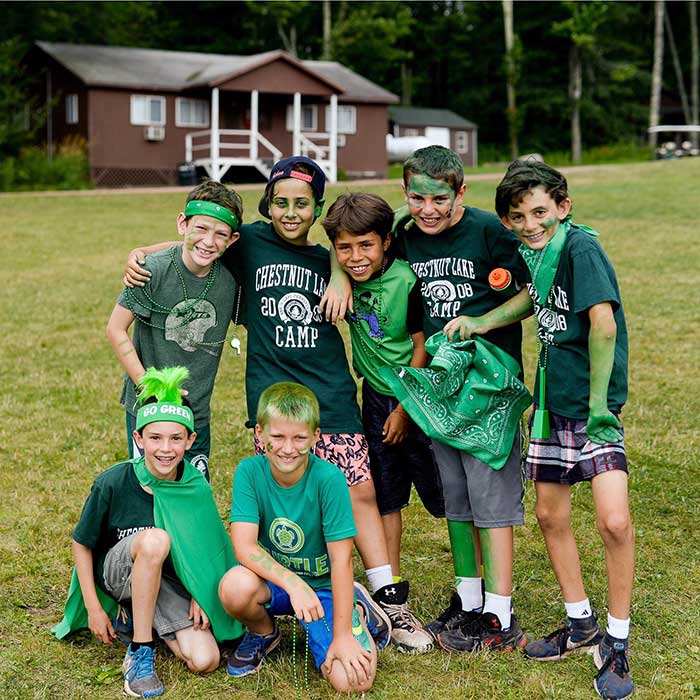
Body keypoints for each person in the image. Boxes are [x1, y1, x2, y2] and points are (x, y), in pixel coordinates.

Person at [123, 157, 426, 651]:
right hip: (272, 395)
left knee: (361, 492)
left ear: (317, 209)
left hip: (329, 388)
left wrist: (339, 274)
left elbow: (373, 266)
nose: (290, 212)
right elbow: (203, 241)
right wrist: (142, 252)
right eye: (281, 202)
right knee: (282, 494)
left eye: (302, 204)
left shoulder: (335, 256)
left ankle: (390, 600)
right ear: (268, 205)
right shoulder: (252, 242)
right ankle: (287, 585)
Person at [330, 145, 529, 653]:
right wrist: (336, 274)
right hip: (435, 394)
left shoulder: (489, 231)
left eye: (440, 198)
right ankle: (468, 601)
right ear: (405, 194)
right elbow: (357, 237)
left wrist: (483, 322)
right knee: (459, 502)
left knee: (490, 504)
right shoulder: (404, 234)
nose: (429, 209)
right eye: (417, 198)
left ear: (461, 191)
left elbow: (531, 291)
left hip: (486, 390)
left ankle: (498, 614)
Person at [451, 160, 633, 698]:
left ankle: (616, 642)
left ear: (563, 206)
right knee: (551, 514)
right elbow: (536, 298)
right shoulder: (540, 251)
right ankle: (581, 624)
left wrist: (601, 407)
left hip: (591, 409)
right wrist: (482, 322)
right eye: (517, 216)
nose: (529, 224)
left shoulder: (580, 248)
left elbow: (603, 324)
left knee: (614, 521)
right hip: (552, 406)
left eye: (539, 212)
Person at [55, 367, 243, 698]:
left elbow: (208, 547)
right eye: (155, 438)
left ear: (190, 440)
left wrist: (201, 592)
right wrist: (94, 607)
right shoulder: (114, 481)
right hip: (118, 575)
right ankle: (141, 650)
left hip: (165, 580)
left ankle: (138, 619)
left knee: (205, 659)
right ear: (138, 438)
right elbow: (81, 544)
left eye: (175, 438)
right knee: (156, 540)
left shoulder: (194, 485)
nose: (165, 449)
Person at [322, 192, 445, 653]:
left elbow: (420, 344)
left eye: (366, 246)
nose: (356, 258)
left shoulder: (406, 280)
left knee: (443, 496)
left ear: (387, 242)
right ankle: (389, 594)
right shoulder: (344, 275)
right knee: (386, 497)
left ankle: (476, 593)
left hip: (413, 395)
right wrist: (339, 271)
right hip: (372, 399)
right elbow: (330, 243)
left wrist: (405, 407)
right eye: (345, 249)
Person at [218, 382, 383, 693]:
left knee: (353, 682)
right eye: (277, 436)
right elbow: (244, 546)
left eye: (299, 438)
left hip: (324, 587)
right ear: (260, 434)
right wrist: (293, 584)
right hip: (277, 584)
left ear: (316, 437)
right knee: (234, 587)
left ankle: (355, 609)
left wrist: (343, 636)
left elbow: (341, 559)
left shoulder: (329, 479)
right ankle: (265, 632)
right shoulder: (249, 472)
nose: (288, 448)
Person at [107, 180, 241, 479]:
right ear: (183, 223)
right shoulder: (150, 270)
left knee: (194, 485)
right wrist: (147, 385)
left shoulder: (231, 279)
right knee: (151, 486)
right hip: (149, 406)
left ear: (232, 240)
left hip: (197, 410)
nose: (209, 241)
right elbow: (116, 329)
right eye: (201, 229)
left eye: (220, 234)